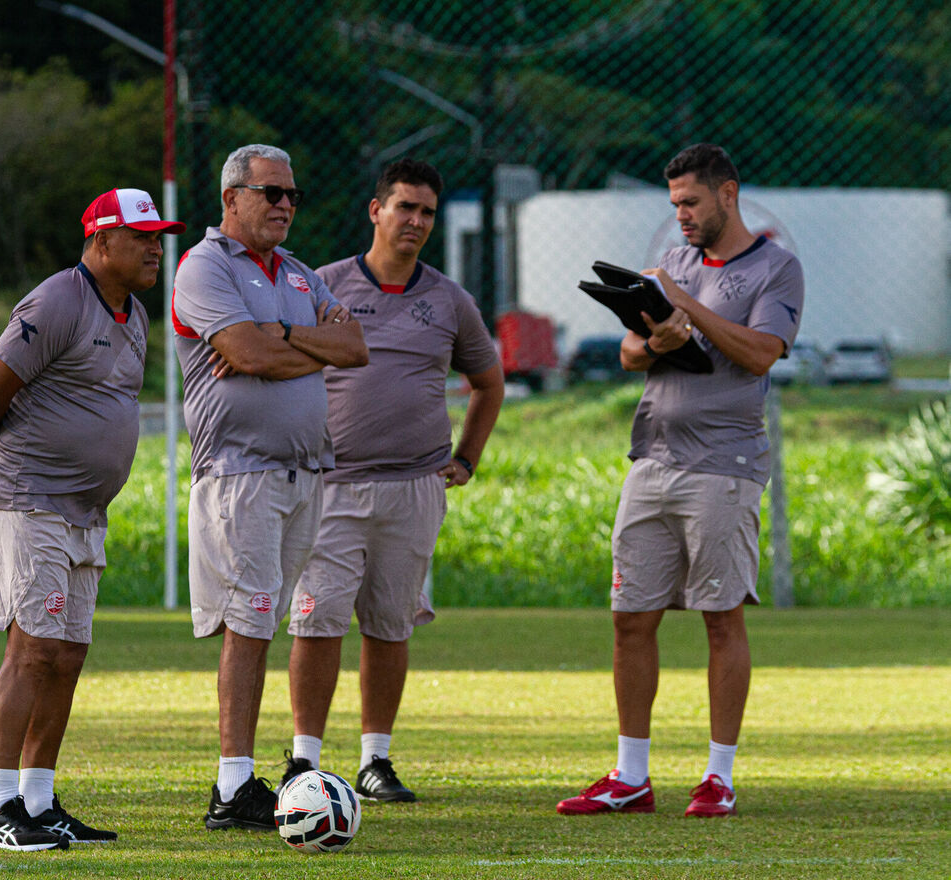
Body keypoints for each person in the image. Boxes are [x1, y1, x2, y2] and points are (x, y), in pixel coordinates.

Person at [556, 143, 804, 818]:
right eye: (674, 206)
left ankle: (718, 778)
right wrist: (655, 337)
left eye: (691, 202)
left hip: (723, 467)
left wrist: (688, 308)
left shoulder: (776, 268)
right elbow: (635, 351)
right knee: (629, 618)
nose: (682, 217)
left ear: (729, 193)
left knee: (721, 621)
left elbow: (758, 354)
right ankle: (630, 775)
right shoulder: (675, 267)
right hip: (652, 460)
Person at [0, 188, 184, 850]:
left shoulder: (135, 313)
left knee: (66, 655)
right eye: (141, 236)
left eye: (158, 237)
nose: (156, 248)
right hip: (29, 499)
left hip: (84, 512)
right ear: (99, 242)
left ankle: (37, 800)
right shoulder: (59, 299)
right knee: (31, 648)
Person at [281, 158, 505, 802]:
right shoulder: (321, 286)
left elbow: (488, 382)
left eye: (427, 212)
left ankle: (375, 759)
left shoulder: (447, 298)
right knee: (317, 618)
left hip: (414, 486)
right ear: (375, 210)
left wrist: (467, 459)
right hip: (333, 484)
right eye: (405, 206)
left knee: (390, 623)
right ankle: (304, 760)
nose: (416, 221)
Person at [171, 144, 368, 831]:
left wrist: (281, 334)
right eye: (271, 193)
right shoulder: (204, 266)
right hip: (242, 474)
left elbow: (355, 348)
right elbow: (243, 354)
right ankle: (232, 786)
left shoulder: (298, 272)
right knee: (249, 624)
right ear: (231, 199)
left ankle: (248, 778)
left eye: (292, 194)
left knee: (270, 621)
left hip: (303, 471)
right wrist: (295, 342)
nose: (285, 204)